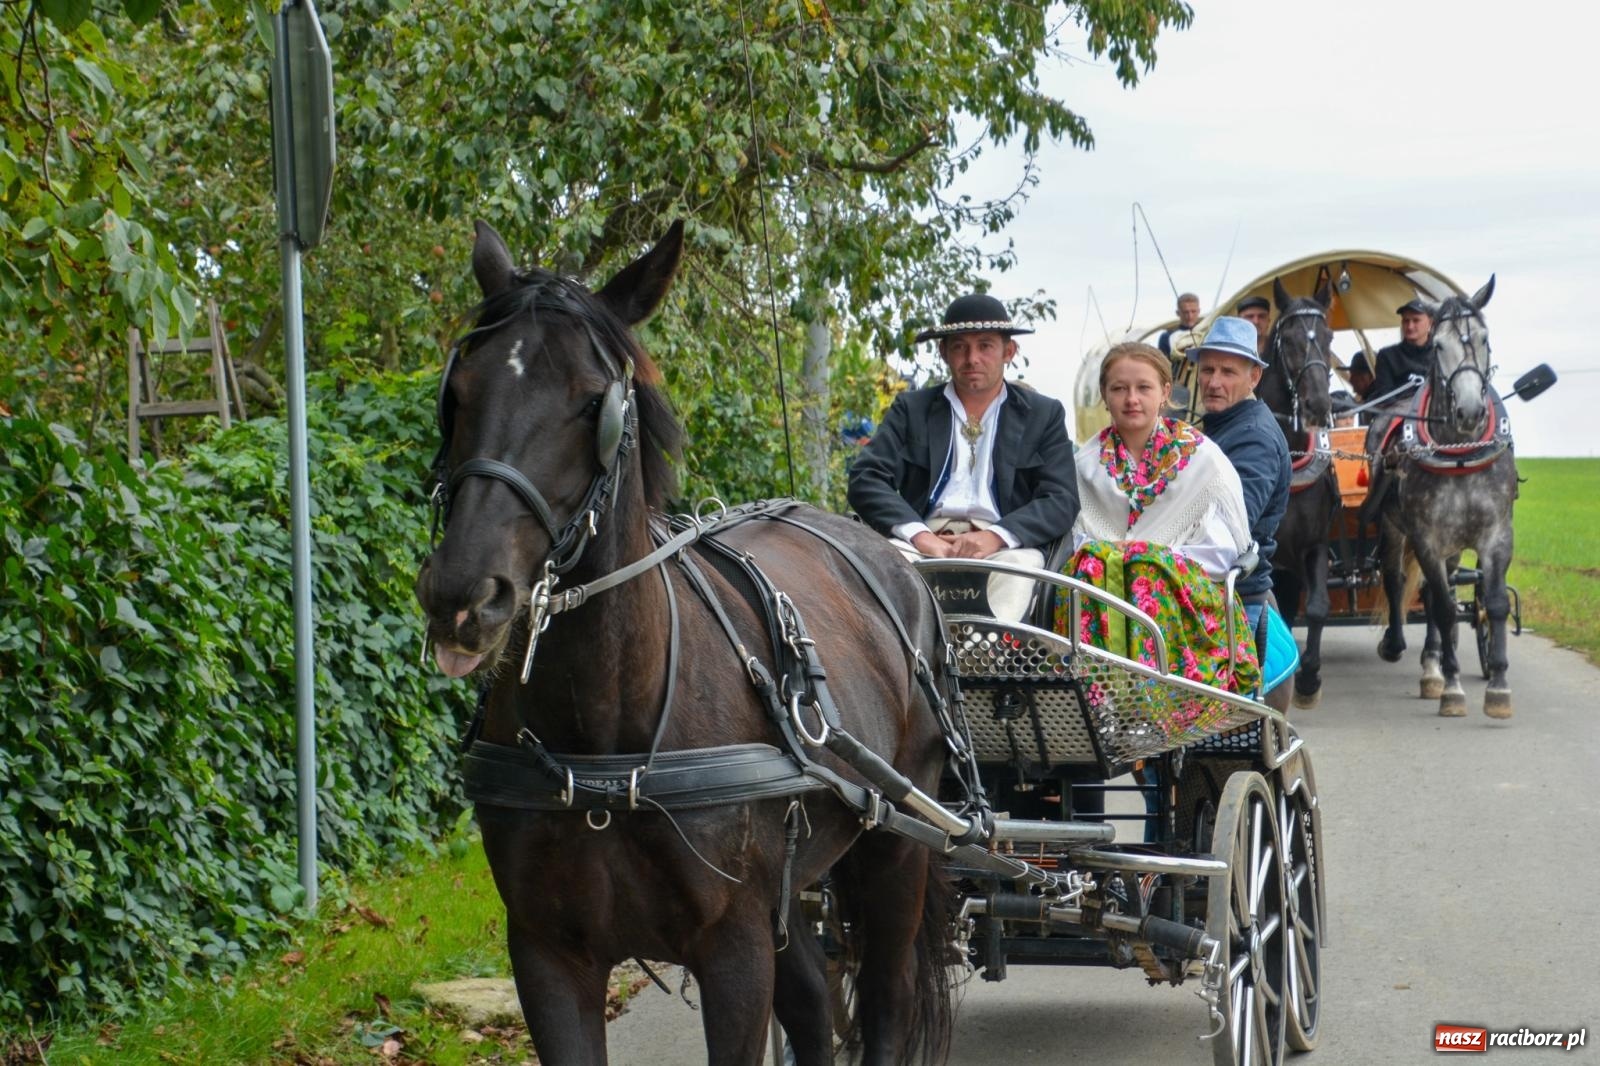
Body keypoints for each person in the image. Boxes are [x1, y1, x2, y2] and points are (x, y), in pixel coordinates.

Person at [848, 293, 1079, 620]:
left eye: (985, 346)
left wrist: (995, 537)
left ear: (1008, 352)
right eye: (959, 347)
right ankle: (914, 663)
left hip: (1005, 547)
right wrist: (922, 536)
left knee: (1022, 568)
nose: (972, 358)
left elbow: (1062, 498)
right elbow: (865, 479)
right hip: (922, 541)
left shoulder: (1043, 415)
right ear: (944, 352)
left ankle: (986, 657)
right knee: (885, 565)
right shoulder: (911, 409)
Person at [1059, 342, 1261, 694]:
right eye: (1119, 389)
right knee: (1089, 570)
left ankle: (1158, 694)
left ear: (1165, 393)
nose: (1131, 399)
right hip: (1101, 594)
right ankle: (1096, 696)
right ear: (1105, 396)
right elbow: (1073, 546)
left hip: (1186, 595)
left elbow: (1222, 553)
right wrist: (1116, 561)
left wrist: (1149, 557)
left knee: (1145, 573)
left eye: (1143, 388)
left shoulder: (1202, 460)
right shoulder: (1085, 466)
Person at [1190, 317, 1293, 709]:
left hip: (1239, 601)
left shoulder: (1253, 436)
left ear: (1254, 377)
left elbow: (1231, 527)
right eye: (1208, 370)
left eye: (1228, 371)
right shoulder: (1219, 425)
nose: (1214, 381)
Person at [1369, 297, 1435, 406]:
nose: (1410, 326)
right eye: (1406, 321)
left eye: (1416, 320)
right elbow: (1385, 395)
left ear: (1430, 323)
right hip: (1400, 416)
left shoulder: (1441, 354)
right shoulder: (1387, 356)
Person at [1157, 292, 1203, 357]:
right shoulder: (1166, 337)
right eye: (1185, 312)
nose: (1190, 316)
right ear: (1178, 313)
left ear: (1199, 311)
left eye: (1193, 311)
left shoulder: (1207, 333)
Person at [1236, 295, 1272, 361]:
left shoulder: (1280, 349)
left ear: (1268, 320)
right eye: (1249, 316)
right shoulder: (1230, 351)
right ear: (1239, 322)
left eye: (1261, 316)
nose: (1256, 321)